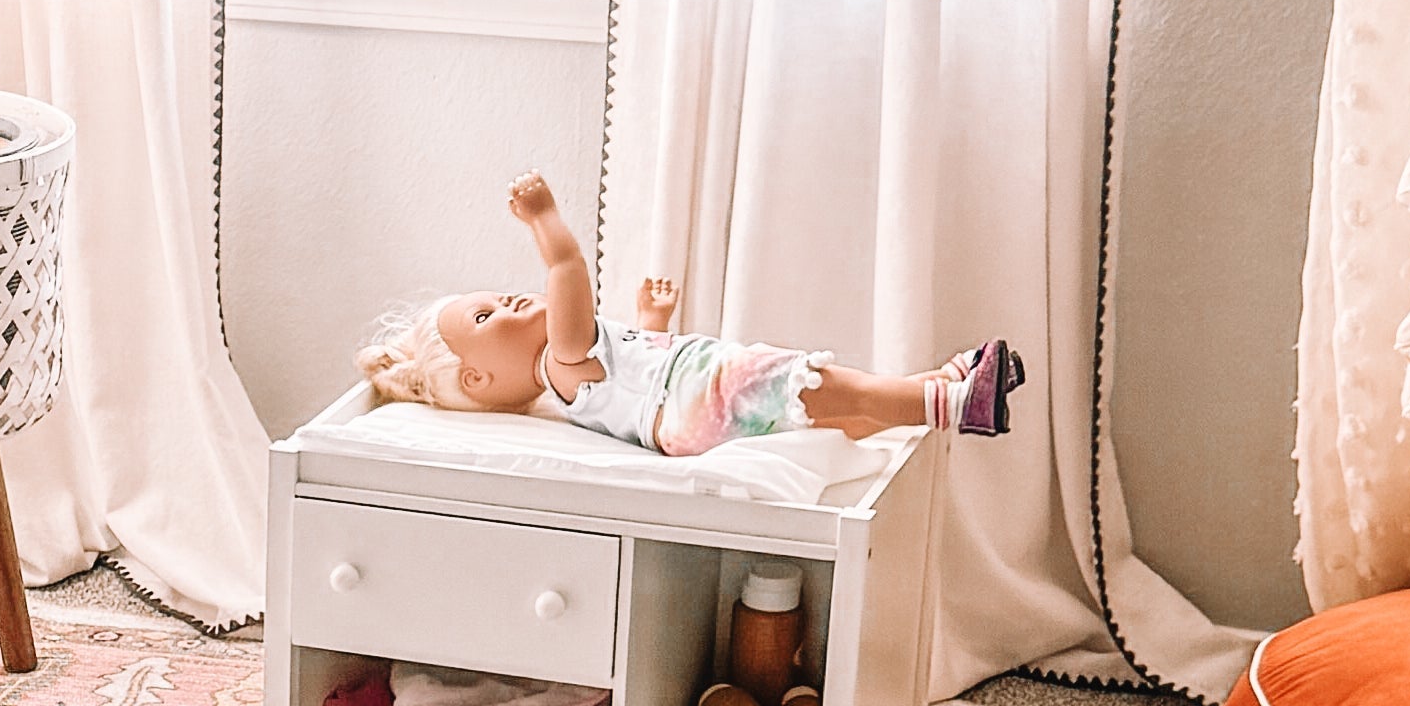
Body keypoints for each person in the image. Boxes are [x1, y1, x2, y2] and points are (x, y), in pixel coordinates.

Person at [363, 172, 1016, 452]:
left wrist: (652, 322)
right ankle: (958, 406)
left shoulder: (576, 384)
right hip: (709, 389)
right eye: (484, 319)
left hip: (684, 415)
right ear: (480, 380)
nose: (503, 301)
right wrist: (546, 223)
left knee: (835, 421)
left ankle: (943, 380)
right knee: (826, 386)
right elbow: (568, 275)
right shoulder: (557, 366)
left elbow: (638, 379)